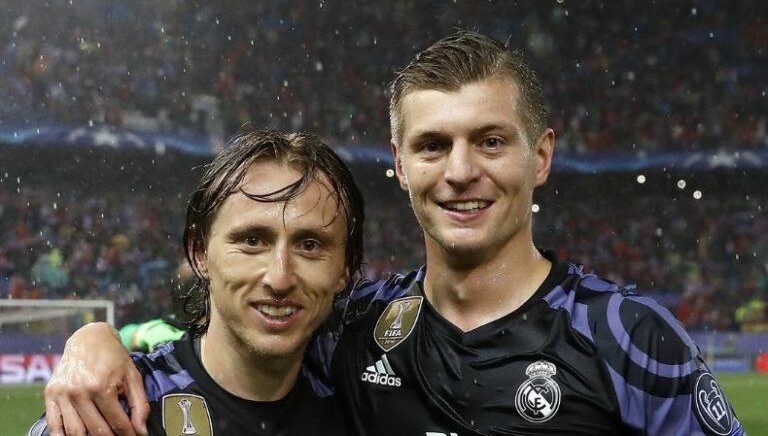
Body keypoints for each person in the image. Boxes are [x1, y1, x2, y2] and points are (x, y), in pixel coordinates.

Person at [42, 30, 744, 436]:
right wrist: (93, 341)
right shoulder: (353, 330)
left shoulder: (628, 338)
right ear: (402, 165)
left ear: (541, 156)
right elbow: (231, 338)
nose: (460, 171)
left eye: (490, 140)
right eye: (433, 145)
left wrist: (94, 337)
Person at [31, 129, 364, 436]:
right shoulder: (118, 413)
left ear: (346, 268)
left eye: (310, 245)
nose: (279, 278)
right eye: (252, 240)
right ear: (199, 252)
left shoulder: (368, 402)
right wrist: (91, 336)